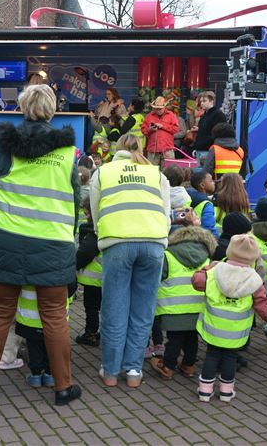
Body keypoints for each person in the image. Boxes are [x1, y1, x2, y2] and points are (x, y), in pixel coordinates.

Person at [0, 84, 82, 406]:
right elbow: (74, 199)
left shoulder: (3, 147)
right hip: (53, 243)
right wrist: (70, 235)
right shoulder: (65, 151)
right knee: (54, 317)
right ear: (51, 108)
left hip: (7, 239)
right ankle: (63, 387)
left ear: (21, 107)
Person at [90, 133, 171, 388]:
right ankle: (134, 370)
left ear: (117, 149)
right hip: (153, 242)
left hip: (117, 242)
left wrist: (102, 233)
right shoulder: (157, 173)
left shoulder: (103, 172)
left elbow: (95, 212)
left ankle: (111, 371)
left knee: (114, 308)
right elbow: (166, 213)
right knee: (143, 310)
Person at [192, 235, 267, 402]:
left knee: (212, 355)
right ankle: (226, 392)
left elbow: (197, 282)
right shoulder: (254, 279)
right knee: (230, 357)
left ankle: (205, 391)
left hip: (214, 325)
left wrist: (207, 268)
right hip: (237, 330)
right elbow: (261, 304)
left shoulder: (215, 271)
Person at [150, 226, 217, 380]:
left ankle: (167, 366)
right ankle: (188, 365)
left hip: (172, 307)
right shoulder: (206, 257)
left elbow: (156, 279)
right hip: (198, 307)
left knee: (174, 340)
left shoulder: (167, 256)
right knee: (192, 339)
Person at [16, 282, 77, 388]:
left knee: (33, 346)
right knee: (53, 345)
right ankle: (50, 375)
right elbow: (72, 284)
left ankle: (36, 376)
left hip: (30, 317)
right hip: (54, 318)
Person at [75, 197, 102, 346]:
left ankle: (90, 334)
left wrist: (74, 266)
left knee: (91, 308)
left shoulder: (92, 232)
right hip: (106, 277)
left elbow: (84, 254)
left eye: (86, 213)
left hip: (93, 279)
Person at [191, 92, 227, 168]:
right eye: (201, 101)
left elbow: (218, 134)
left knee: (206, 175)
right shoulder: (204, 116)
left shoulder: (219, 115)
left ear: (211, 101)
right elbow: (203, 132)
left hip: (210, 150)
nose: (202, 103)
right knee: (201, 175)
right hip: (201, 150)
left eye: (204, 101)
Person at [141, 97, 179, 166]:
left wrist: (163, 126)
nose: (158, 110)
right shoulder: (149, 116)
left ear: (164, 107)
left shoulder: (171, 115)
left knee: (168, 172)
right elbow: (143, 130)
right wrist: (150, 129)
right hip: (153, 150)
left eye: (160, 108)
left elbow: (176, 129)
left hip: (167, 150)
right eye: (156, 108)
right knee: (152, 173)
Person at [187, 171, 218, 237]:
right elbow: (209, 229)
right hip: (203, 239)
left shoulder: (187, 196)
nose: (214, 182)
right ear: (202, 185)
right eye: (211, 181)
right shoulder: (207, 203)